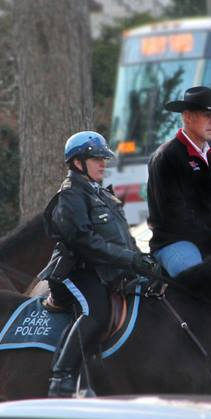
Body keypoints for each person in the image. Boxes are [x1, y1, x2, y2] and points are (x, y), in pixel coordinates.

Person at [41, 131, 159, 398]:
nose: (103, 163)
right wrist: (128, 259)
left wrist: (140, 258)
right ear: (78, 163)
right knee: (97, 312)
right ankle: (62, 377)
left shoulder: (102, 194)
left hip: (106, 269)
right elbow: (84, 242)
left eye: (103, 158)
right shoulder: (71, 195)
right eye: (96, 158)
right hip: (76, 270)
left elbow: (122, 237)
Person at [146, 86, 211, 277]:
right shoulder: (166, 156)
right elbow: (172, 215)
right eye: (207, 114)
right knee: (199, 281)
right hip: (173, 242)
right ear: (187, 117)